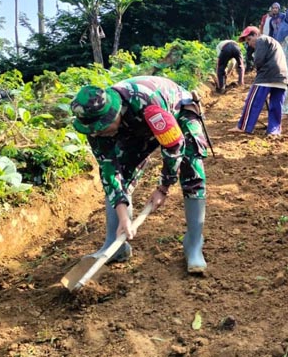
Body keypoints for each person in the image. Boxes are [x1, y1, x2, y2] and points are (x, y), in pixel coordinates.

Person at [70, 76, 209, 273]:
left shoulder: (148, 105)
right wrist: (124, 217)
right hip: (132, 128)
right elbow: (109, 170)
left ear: (114, 114)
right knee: (122, 173)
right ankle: (115, 245)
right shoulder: (96, 130)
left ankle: (194, 243)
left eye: (101, 129)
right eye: (94, 132)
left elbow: (173, 146)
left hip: (177, 115)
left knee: (192, 168)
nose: (97, 134)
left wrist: (163, 188)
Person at [229, 26, 288, 136]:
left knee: (253, 102)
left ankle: (244, 126)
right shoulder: (272, 42)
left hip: (266, 76)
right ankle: (274, 130)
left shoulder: (261, 40)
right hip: (282, 77)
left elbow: (259, 60)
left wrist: (257, 68)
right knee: (276, 106)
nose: (249, 44)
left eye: (249, 40)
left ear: (256, 35)